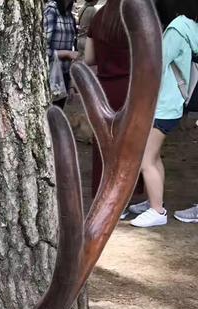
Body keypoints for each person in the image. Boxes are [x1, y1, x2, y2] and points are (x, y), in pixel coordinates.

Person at [129, 3, 198, 227]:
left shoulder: (177, 29)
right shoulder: (191, 27)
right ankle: (154, 199)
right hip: (173, 104)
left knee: (145, 158)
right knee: (155, 155)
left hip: (162, 105)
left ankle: (157, 211)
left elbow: (156, 64)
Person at [85, 0, 144, 201]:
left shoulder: (98, 17)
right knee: (130, 141)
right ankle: (127, 195)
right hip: (131, 88)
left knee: (103, 142)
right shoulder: (135, 18)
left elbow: (89, 58)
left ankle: (102, 194)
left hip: (103, 90)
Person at [43, 0, 79, 109]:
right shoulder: (51, 10)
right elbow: (42, 49)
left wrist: (71, 86)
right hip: (50, 76)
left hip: (64, 77)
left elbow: (73, 48)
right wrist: (66, 54)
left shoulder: (69, 15)